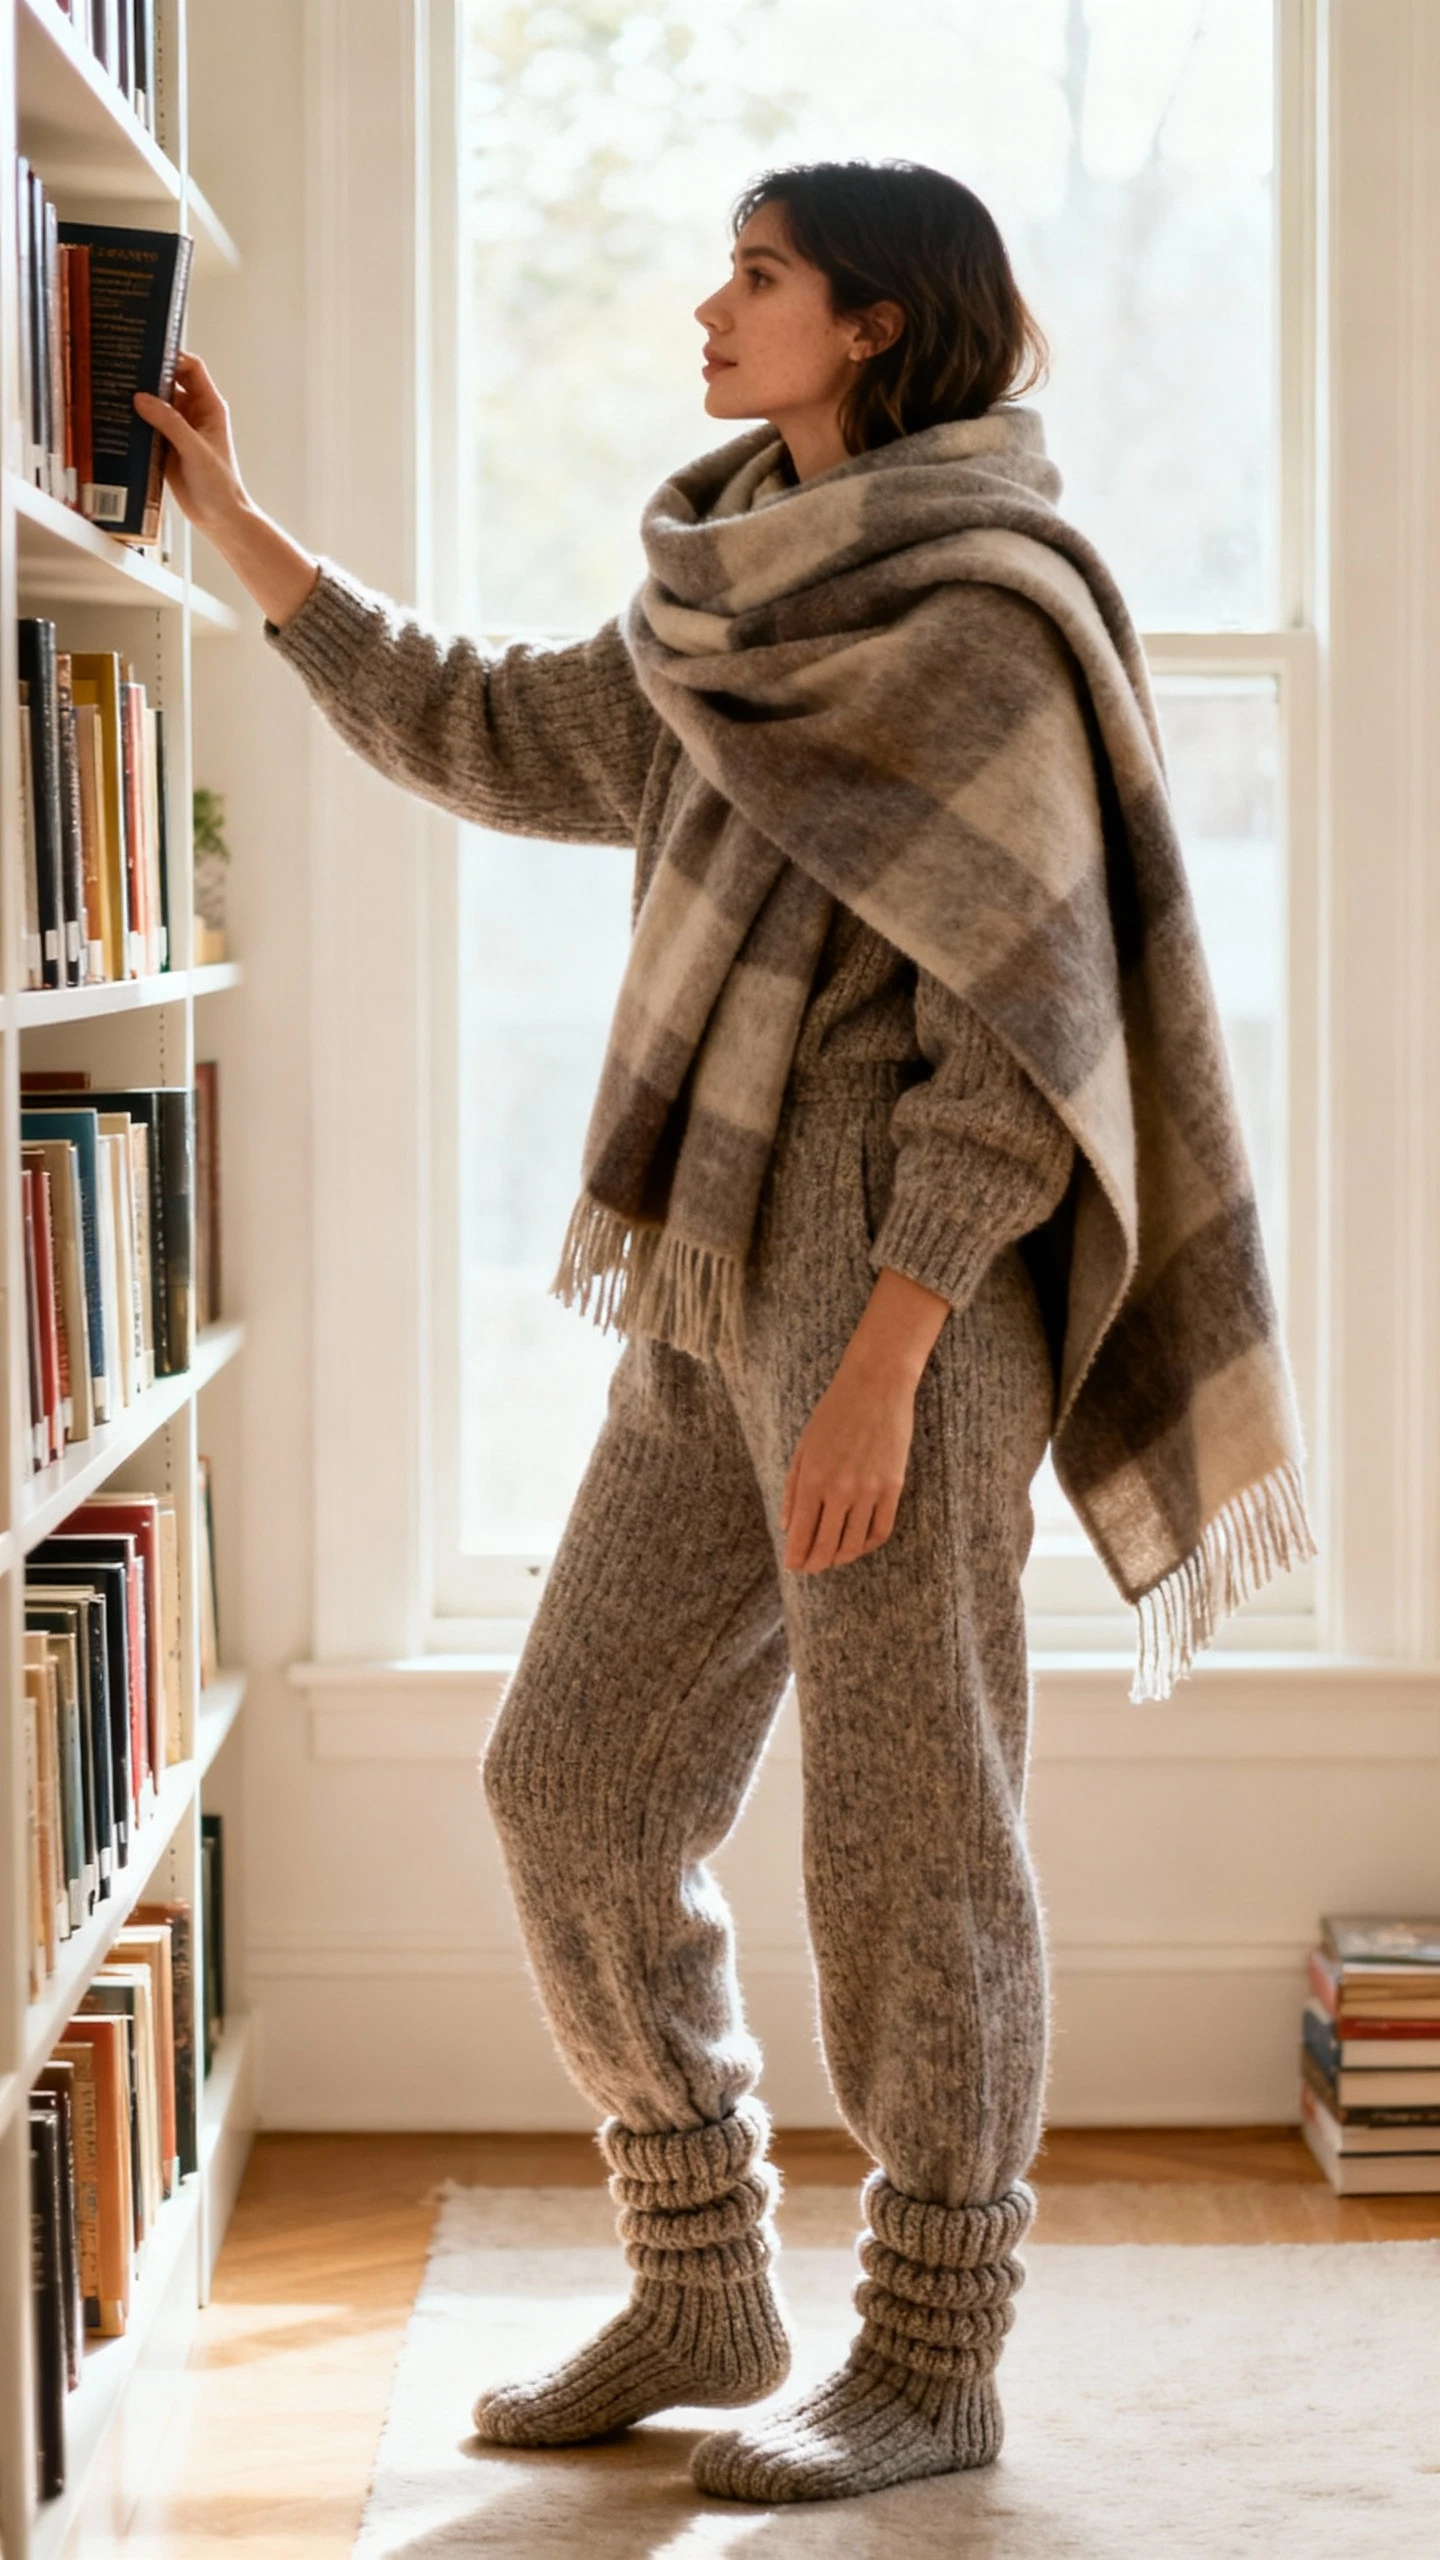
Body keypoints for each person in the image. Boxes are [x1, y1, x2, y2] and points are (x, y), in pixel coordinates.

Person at [139, 157, 1311, 2507]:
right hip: (709, 1278)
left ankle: (932, 2343)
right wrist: (240, 535)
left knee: (910, 1830)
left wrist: (885, 1349)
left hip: (913, 1304)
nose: (711, 304)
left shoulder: (980, 623)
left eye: (757, 276)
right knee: (569, 1779)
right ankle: (702, 2267)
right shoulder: (724, 613)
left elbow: (1023, 1038)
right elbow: (482, 726)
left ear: (877, 324)